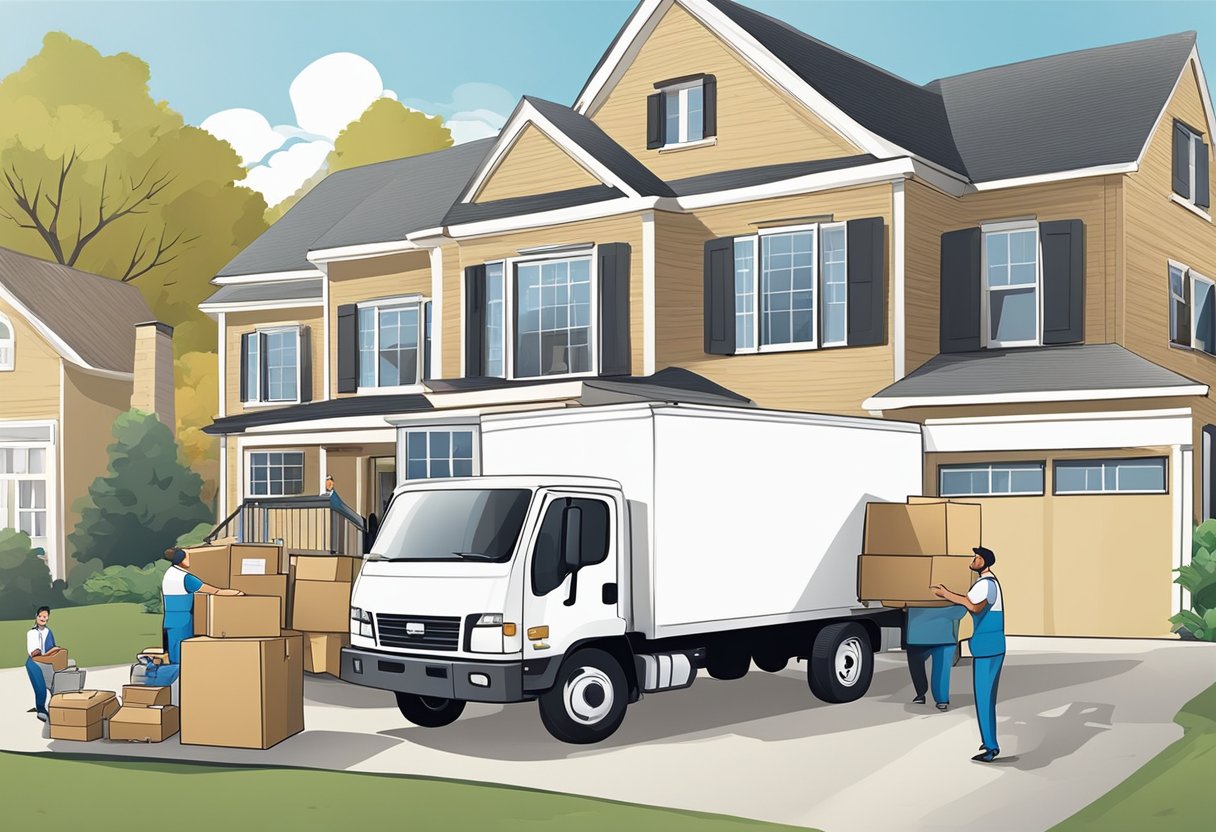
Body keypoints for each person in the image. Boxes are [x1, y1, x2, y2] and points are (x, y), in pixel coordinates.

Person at [932, 546, 1006, 763]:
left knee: (984, 698)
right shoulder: (988, 583)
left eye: (977, 558)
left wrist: (946, 594)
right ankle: (988, 741)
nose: (973, 560)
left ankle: (991, 747)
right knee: (985, 697)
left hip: (987, 648)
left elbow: (974, 607)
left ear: (984, 562)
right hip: (990, 646)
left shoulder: (986, 584)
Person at [162, 547, 242, 664]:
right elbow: (216, 591)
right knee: (183, 658)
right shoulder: (186, 578)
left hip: (169, 619)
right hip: (183, 621)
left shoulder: (169, 574)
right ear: (182, 560)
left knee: (173, 657)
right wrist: (238, 593)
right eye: (188, 556)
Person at [906, 604, 966, 710]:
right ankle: (941, 700)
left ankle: (921, 694)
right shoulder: (953, 593)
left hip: (917, 633)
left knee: (916, 666)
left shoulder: (913, 594)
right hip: (944, 635)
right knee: (941, 669)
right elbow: (960, 612)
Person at [25, 606, 65, 722]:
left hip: (48, 662)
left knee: (54, 686)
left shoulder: (48, 632)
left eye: (45, 616)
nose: (43, 618)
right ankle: (41, 710)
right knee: (40, 687)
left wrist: (54, 651)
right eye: (41, 616)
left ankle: (54, 707)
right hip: (35, 663)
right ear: (36, 617)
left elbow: (52, 646)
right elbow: (34, 652)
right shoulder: (31, 633)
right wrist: (47, 653)